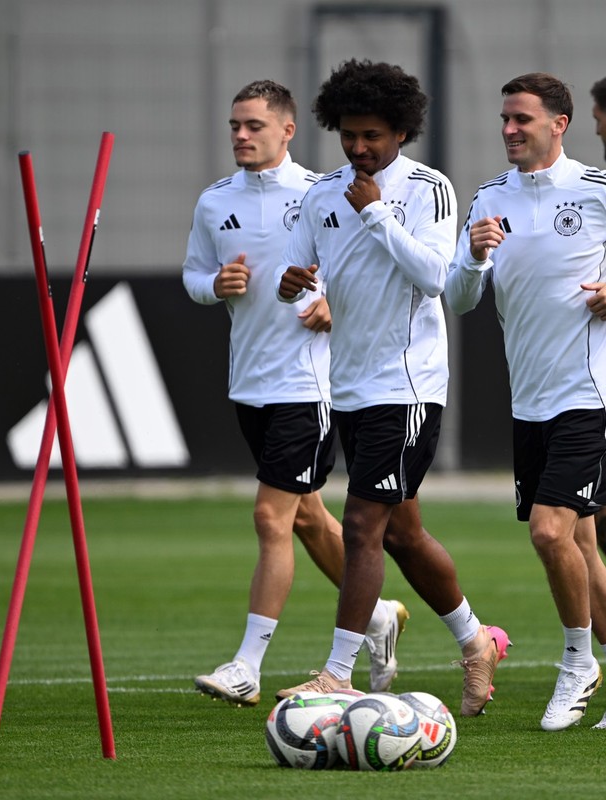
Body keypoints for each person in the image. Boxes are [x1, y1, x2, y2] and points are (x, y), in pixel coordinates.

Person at [446, 72, 606, 730]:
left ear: (559, 124)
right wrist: (472, 257)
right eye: (504, 118)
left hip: (593, 393)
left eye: (522, 119)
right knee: (578, 541)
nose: (509, 129)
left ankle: (578, 663)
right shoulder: (489, 198)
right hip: (531, 401)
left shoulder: (602, 189)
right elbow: (460, 299)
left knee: (549, 531)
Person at [272, 60, 509, 717]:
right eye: (348, 135)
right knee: (403, 534)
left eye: (371, 135)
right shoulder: (321, 194)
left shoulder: (428, 188)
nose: (358, 147)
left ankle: (337, 674)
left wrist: (376, 214)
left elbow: (435, 277)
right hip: (347, 384)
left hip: (406, 385)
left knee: (360, 524)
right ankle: (476, 641)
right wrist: (293, 286)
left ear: (402, 131)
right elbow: (299, 276)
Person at [183, 80, 406, 706]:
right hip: (249, 382)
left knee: (269, 516)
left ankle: (247, 665)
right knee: (305, 515)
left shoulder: (321, 193)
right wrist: (214, 285)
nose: (240, 135)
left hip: (309, 384)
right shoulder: (214, 201)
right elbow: (193, 274)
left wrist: (333, 301)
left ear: (287, 130)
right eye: (234, 125)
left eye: (253, 125)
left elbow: (359, 269)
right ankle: (379, 616)